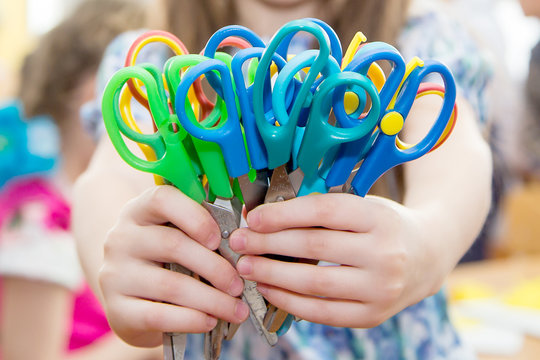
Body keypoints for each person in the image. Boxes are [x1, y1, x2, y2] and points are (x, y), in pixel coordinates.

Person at [73, 0, 493, 358]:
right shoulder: (150, 61)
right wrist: (133, 277)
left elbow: (460, 165)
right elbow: (106, 182)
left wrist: (426, 244)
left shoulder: (421, 38)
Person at [0, 1, 161, 359]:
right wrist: (149, 341)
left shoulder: (117, 202)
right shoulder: (36, 217)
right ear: (94, 90)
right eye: (145, 87)